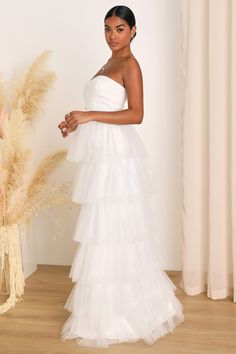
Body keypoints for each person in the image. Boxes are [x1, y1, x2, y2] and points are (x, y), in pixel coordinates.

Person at [58, 5, 184, 349]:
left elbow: (136, 114)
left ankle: (123, 310)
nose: (112, 36)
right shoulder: (106, 64)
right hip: (101, 155)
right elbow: (99, 112)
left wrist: (89, 114)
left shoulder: (130, 64)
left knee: (116, 228)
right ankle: (102, 308)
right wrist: (75, 122)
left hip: (118, 159)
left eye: (119, 29)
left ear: (133, 32)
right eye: (108, 29)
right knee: (102, 230)